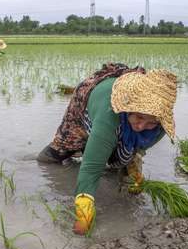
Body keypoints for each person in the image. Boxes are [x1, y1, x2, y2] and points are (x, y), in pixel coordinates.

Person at [37, 63, 178, 235]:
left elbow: (139, 146)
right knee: (56, 154)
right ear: (129, 108)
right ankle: (79, 148)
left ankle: (109, 153)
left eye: (150, 122)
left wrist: (134, 163)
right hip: (89, 101)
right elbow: (90, 169)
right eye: (139, 117)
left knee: (122, 158)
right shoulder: (109, 116)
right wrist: (84, 210)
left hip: (114, 122)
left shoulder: (159, 128)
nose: (142, 126)